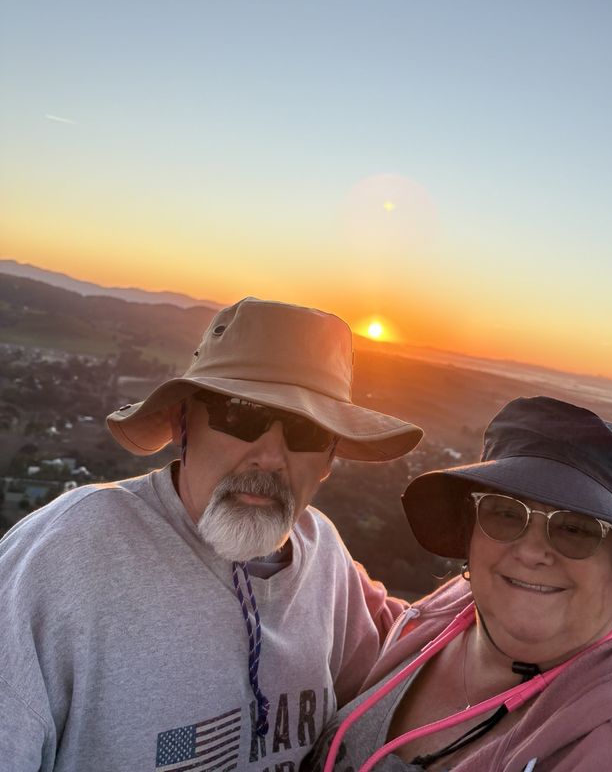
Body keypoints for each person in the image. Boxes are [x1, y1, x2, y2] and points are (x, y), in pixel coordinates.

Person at [0, 297, 423, 772]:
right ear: (184, 423)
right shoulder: (69, 553)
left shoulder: (324, 554)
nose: (270, 456)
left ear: (329, 459)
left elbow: (405, 671)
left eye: (306, 431)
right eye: (240, 414)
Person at [310, 396, 612, 772]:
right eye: (504, 514)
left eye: (575, 528)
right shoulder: (455, 610)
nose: (532, 551)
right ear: (470, 528)